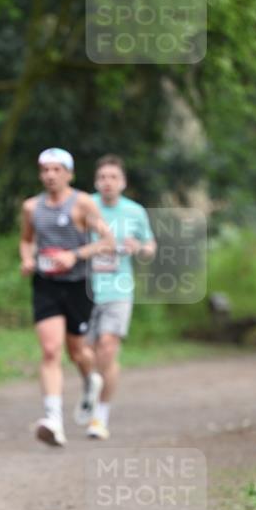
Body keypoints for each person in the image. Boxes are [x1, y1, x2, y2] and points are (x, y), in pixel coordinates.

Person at [20, 148, 114, 446]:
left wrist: (74, 256)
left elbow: (107, 241)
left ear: (69, 174)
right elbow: (26, 240)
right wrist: (27, 259)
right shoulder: (31, 208)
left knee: (78, 353)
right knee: (51, 351)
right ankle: (53, 419)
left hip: (77, 285)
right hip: (45, 285)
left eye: (56, 169)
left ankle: (90, 380)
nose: (50, 175)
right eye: (45, 170)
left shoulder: (83, 203)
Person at [86, 154, 156, 440]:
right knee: (85, 353)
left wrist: (139, 247)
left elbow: (151, 246)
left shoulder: (135, 212)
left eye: (113, 177)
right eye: (103, 177)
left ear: (123, 182)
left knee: (108, 347)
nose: (108, 182)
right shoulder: (86, 205)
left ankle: (99, 417)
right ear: (96, 182)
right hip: (85, 288)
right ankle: (90, 388)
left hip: (119, 289)